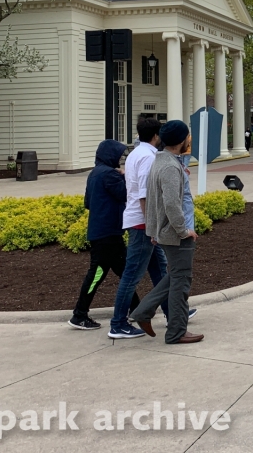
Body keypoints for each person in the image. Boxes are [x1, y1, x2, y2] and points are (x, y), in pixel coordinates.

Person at [130, 120, 204, 344]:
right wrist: (183, 230)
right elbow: (171, 204)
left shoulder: (161, 160)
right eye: (188, 137)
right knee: (181, 281)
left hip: (166, 232)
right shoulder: (170, 166)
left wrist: (154, 230)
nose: (189, 140)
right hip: (177, 234)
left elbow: (153, 200)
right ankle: (176, 332)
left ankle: (143, 311)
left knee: (176, 276)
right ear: (181, 140)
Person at [109, 118, 168, 340]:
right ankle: (117, 324)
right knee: (132, 275)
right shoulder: (148, 157)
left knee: (160, 271)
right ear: (156, 135)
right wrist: (152, 227)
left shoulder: (135, 154)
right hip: (142, 223)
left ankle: (174, 312)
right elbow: (145, 194)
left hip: (140, 221)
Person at [68, 140, 134, 330]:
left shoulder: (94, 173)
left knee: (125, 271)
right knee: (97, 275)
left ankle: (137, 308)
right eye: (118, 155)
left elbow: (87, 203)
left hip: (102, 232)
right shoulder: (109, 174)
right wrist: (126, 177)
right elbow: (126, 194)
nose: (120, 159)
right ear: (110, 156)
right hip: (108, 234)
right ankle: (79, 314)